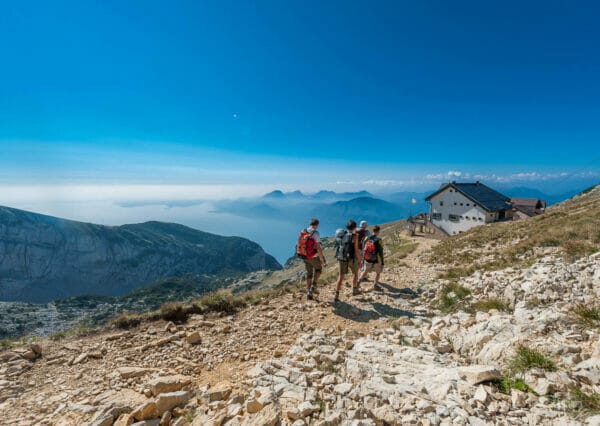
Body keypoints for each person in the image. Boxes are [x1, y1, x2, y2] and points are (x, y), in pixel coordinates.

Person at [333, 219, 362, 303]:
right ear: (355, 227)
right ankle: (354, 290)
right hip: (351, 259)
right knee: (355, 274)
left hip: (341, 258)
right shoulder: (355, 236)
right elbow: (356, 250)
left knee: (341, 276)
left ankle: (336, 295)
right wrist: (359, 261)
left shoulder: (342, 235)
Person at [296, 218, 326, 300]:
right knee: (318, 269)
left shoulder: (303, 230)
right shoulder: (316, 233)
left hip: (304, 255)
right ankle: (314, 286)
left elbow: (299, 243)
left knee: (309, 272)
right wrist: (322, 258)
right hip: (312, 256)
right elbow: (318, 248)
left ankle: (308, 291)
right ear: (317, 225)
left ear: (310, 223)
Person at [359, 225, 385, 291]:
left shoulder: (366, 238)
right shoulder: (379, 240)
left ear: (373, 231)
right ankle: (375, 285)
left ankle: (358, 283)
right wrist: (382, 262)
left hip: (367, 258)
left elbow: (363, 248)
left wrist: (363, 258)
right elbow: (381, 252)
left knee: (365, 271)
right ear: (378, 231)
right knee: (378, 273)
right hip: (376, 260)